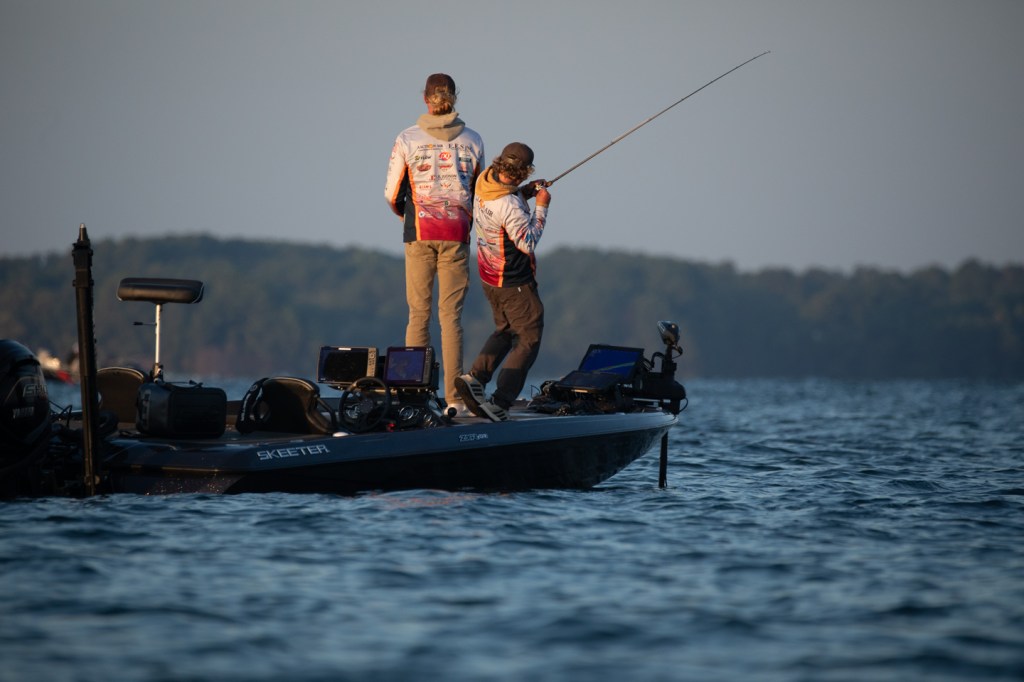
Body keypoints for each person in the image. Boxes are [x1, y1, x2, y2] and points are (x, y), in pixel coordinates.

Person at [384, 73, 485, 413]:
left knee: (418, 314)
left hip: (419, 233)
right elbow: (478, 191)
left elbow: (391, 194)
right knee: (450, 318)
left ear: (425, 99)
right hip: (456, 234)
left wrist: (407, 215)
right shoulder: (473, 140)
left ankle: (412, 397)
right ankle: (454, 400)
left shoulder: (407, 138)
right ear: (455, 97)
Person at [455, 143, 550, 422]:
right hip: (514, 281)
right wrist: (541, 208)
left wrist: (526, 192)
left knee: (506, 330)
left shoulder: (485, 181)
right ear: (524, 171)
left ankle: (475, 378)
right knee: (529, 338)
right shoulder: (509, 205)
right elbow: (527, 242)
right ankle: (501, 401)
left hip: (489, 276)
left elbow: (505, 199)